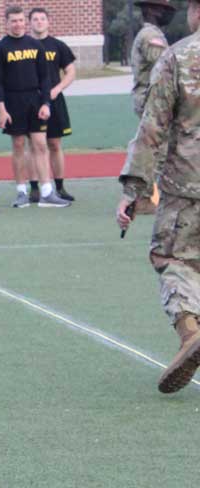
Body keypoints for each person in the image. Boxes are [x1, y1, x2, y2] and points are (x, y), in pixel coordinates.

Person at [118, 0, 200, 393]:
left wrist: (132, 190)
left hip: (186, 183)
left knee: (173, 259)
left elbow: (152, 129)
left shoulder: (177, 57)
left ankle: (190, 332)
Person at [0, 6, 70, 208]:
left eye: (20, 20)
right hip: (13, 101)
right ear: (6, 23)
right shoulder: (0, 49)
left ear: (24, 22)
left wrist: (46, 103)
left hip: (35, 100)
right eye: (13, 21)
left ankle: (47, 193)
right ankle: (21, 192)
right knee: (18, 145)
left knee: (40, 145)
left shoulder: (35, 45)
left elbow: (45, 78)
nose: (17, 24)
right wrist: (1, 109)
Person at [130, 0, 176, 214]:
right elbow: (166, 68)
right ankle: (142, 198)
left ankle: (148, 195)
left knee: (158, 149)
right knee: (156, 151)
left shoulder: (153, 33)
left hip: (154, 99)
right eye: (161, 9)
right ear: (149, 10)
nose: (166, 13)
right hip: (152, 100)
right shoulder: (151, 36)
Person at [28, 7, 77, 203]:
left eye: (42, 18)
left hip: (54, 101)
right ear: (30, 23)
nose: (39, 22)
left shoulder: (58, 46)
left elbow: (71, 71)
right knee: (34, 145)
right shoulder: (25, 46)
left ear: (48, 22)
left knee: (55, 144)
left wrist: (57, 89)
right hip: (32, 101)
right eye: (35, 19)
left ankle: (60, 187)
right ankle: (34, 189)